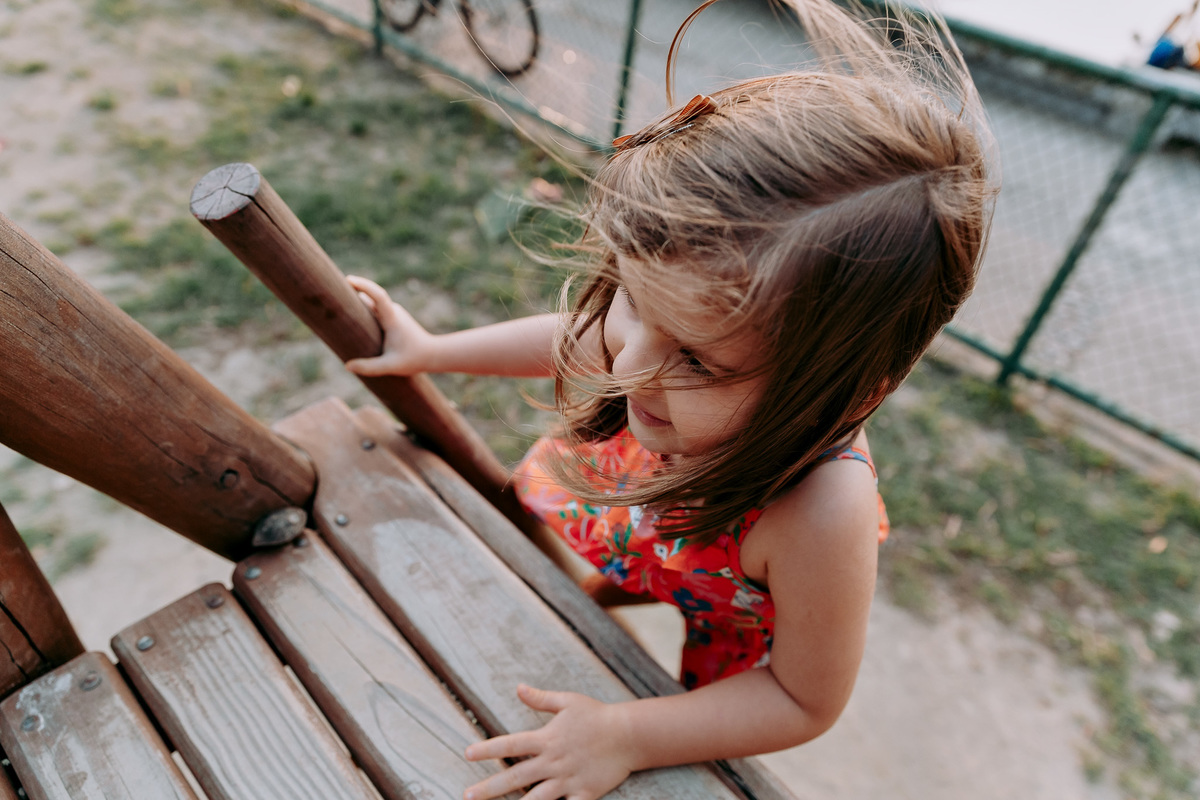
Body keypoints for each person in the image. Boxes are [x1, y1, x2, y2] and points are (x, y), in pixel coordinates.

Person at [346, 0, 996, 797]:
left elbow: (801, 698)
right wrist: (432, 350)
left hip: (724, 596)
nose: (629, 365)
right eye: (632, 298)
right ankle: (614, 585)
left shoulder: (823, 517)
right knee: (604, 575)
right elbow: (578, 336)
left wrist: (626, 733)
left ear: (844, 391)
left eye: (696, 358)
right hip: (654, 528)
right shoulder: (658, 342)